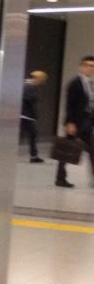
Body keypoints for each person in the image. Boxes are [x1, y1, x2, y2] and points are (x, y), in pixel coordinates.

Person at [55, 55, 94, 188]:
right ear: (81, 67)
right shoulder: (75, 83)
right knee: (66, 150)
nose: (90, 68)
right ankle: (60, 179)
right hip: (75, 123)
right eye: (87, 65)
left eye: (92, 66)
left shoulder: (90, 84)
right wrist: (70, 123)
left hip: (87, 122)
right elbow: (70, 104)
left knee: (92, 150)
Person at [21, 71, 45, 164]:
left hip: (26, 115)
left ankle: (34, 156)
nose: (40, 83)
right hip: (25, 115)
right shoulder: (28, 86)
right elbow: (27, 99)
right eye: (41, 80)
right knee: (33, 134)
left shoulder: (28, 85)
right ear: (37, 78)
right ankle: (33, 156)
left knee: (32, 134)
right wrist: (34, 99)